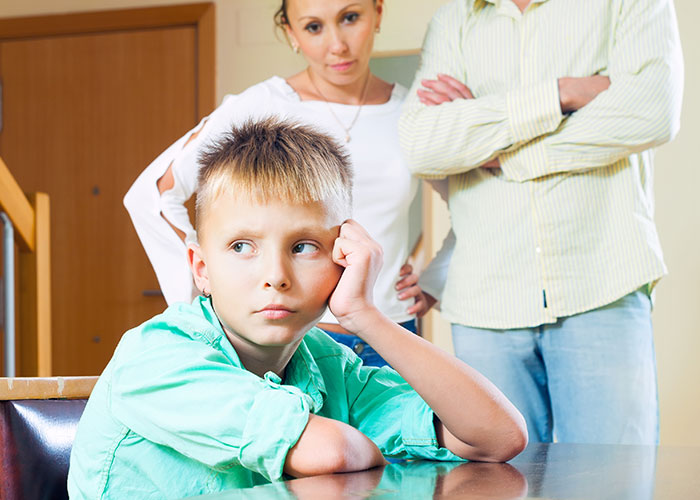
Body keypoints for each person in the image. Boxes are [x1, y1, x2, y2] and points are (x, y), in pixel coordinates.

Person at [68, 119, 527, 499]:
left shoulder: (328, 365)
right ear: (201, 269)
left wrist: (365, 315)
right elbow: (334, 454)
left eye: (303, 246)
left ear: (343, 254)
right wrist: (363, 448)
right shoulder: (156, 357)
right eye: (242, 246)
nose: (276, 275)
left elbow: (497, 436)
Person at [399, 0, 683, 445]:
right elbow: (422, 145)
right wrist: (561, 95)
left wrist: (499, 143)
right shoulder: (453, 22)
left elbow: (652, 112)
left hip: (603, 283)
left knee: (611, 484)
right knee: (502, 484)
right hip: (485, 304)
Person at [123, 0, 431, 368]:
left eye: (350, 18)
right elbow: (150, 195)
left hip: (391, 329)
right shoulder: (262, 104)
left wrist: (435, 282)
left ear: (378, 13)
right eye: (314, 27)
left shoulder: (414, 111)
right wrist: (205, 293)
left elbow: (471, 201)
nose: (337, 45)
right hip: (302, 340)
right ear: (291, 33)